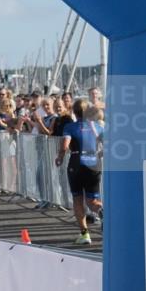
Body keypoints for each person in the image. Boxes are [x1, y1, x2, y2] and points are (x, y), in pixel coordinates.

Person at [56, 99, 103, 245]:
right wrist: (98, 155)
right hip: (94, 164)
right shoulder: (97, 127)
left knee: (77, 199)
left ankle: (84, 234)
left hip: (76, 163)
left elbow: (65, 146)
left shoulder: (70, 127)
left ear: (74, 112)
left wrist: (60, 157)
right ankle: (101, 211)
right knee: (92, 200)